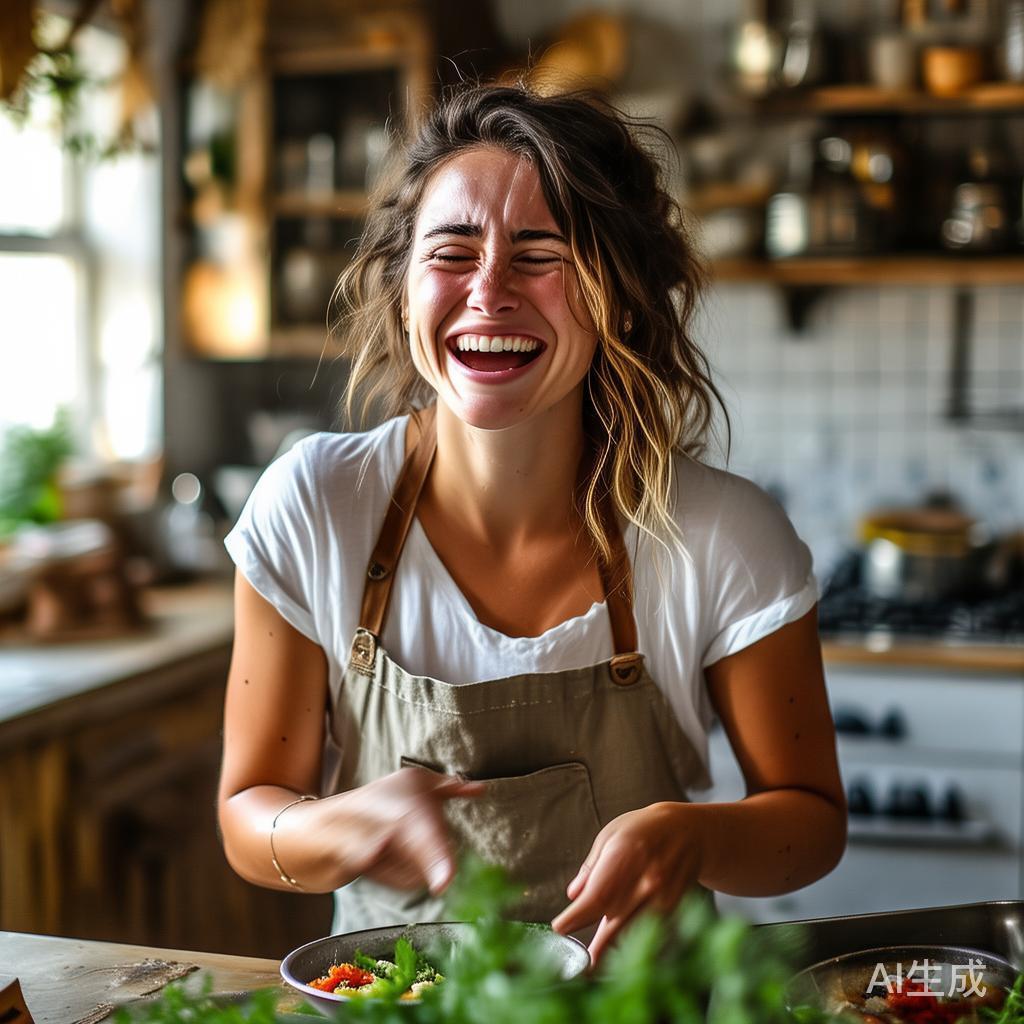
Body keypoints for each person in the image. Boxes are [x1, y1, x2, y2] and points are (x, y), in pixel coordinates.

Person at [217, 83, 846, 965]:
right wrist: (345, 825)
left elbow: (811, 824)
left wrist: (692, 837)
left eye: (541, 254)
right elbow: (251, 818)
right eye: (452, 251)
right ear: (402, 293)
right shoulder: (316, 506)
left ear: (619, 297)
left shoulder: (720, 535)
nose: (489, 291)